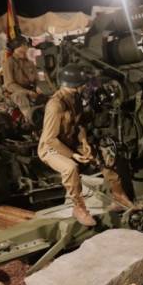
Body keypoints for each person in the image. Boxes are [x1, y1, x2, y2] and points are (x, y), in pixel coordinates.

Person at [38, 64, 98, 226]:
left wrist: (84, 142)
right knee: (70, 168)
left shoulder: (75, 98)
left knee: (101, 154)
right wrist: (73, 155)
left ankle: (118, 195)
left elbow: (79, 124)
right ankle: (79, 208)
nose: (85, 86)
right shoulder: (55, 105)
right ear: (74, 84)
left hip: (70, 143)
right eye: (82, 83)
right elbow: (50, 139)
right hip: (51, 148)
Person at [3, 36, 38, 123]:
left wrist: (39, 87)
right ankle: (31, 120)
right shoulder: (9, 62)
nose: (24, 51)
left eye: (25, 48)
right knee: (21, 96)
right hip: (14, 93)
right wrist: (27, 92)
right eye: (21, 50)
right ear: (16, 49)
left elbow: (36, 79)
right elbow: (9, 84)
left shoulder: (29, 62)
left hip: (31, 90)